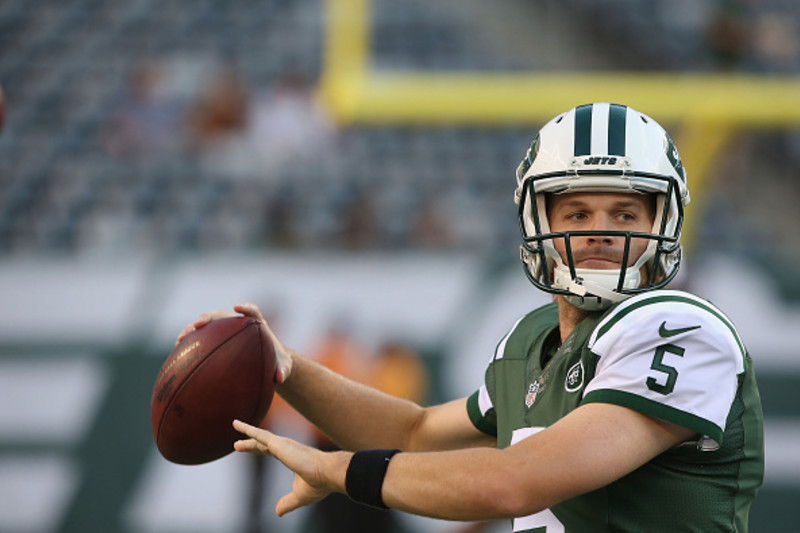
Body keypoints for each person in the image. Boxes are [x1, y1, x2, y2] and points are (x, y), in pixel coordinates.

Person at [177, 103, 764, 532]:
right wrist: (287, 368)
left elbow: (512, 482)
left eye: (625, 212)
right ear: (539, 223)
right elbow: (412, 434)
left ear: (661, 223)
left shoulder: (681, 329)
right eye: (578, 209)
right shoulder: (533, 338)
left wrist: (340, 470)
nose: (599, 231)